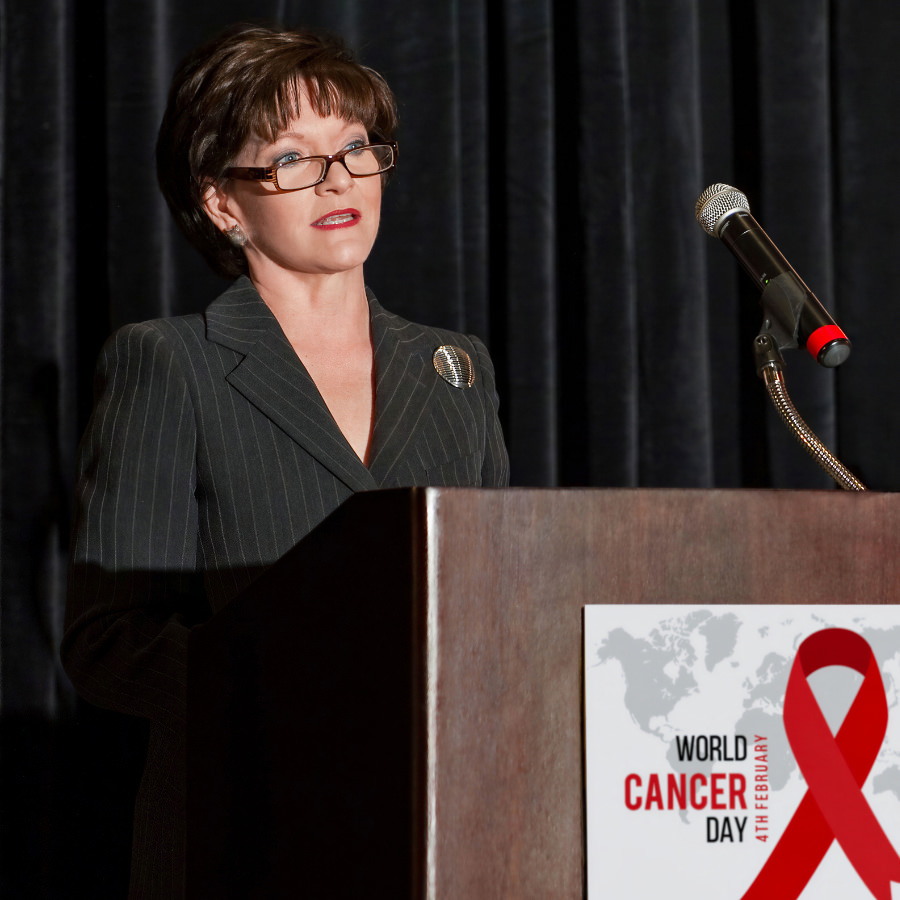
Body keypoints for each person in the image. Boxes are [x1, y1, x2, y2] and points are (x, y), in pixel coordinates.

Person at [61, 23, 508, 898]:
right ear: (224, 202)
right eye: (292, 158)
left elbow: (492, 605)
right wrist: (296, 685)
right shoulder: (171, 363)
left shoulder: (454, 369)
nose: (338, 178)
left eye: (352, 148)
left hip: (441, 840)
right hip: (247, 838)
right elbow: (106, 644)